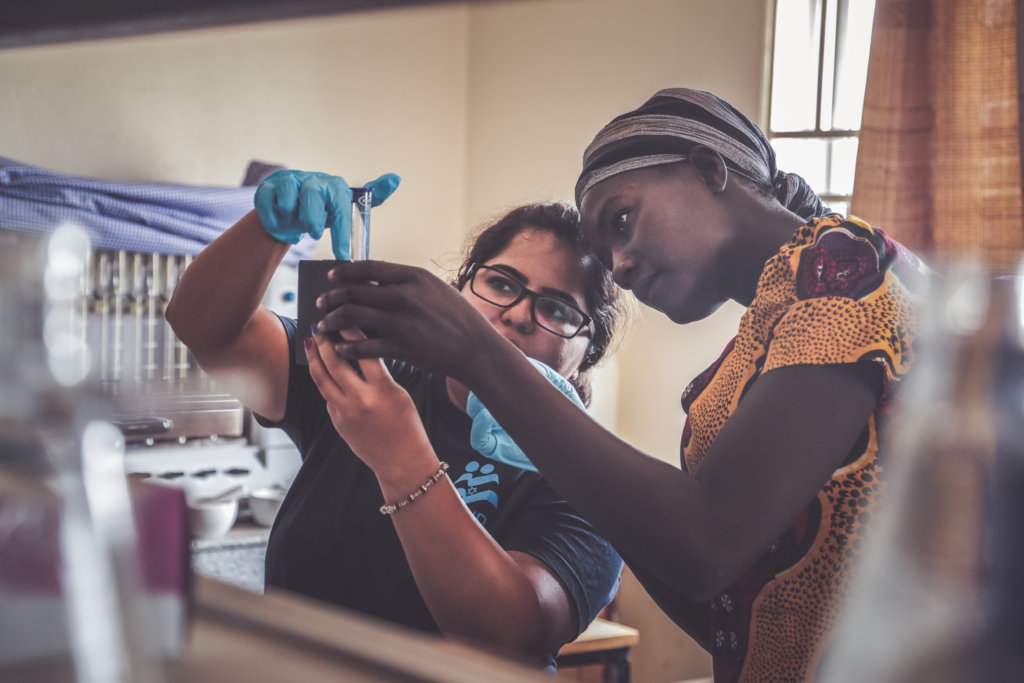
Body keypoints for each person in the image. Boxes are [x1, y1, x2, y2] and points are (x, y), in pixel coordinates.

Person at [316, 89, 932, 682]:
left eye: (623, 220)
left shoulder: (843, 265)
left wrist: (482, 355)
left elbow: (707, 543)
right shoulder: (752, 349)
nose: (620, 266)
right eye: (607, 251)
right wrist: (559, 452)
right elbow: (716, 598)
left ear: (708, 169)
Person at [164, 176, 629, 671]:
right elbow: (205, 330)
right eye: (500, 283)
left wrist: (399, 451)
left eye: (556, 309)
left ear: (586, 355)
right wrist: (268, 231)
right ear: (458, 292)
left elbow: (509, 634)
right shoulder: (368, 374)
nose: (515, 315)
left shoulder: (595, 478)